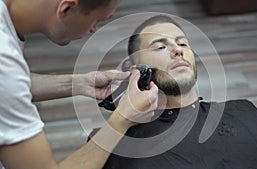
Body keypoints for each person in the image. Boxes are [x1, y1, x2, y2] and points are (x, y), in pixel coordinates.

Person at [89, 15, 257, 169]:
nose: (178, 49)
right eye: (160, 47)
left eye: (182, 43)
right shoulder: (109, 143)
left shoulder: (244, 110)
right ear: (137, 69)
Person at [0, 0, 159, 169]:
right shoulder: (4, 64)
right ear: (67, 8)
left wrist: (79, 84)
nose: (93, 29)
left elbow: (14, 85)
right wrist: (122, 120)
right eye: (96, 20)